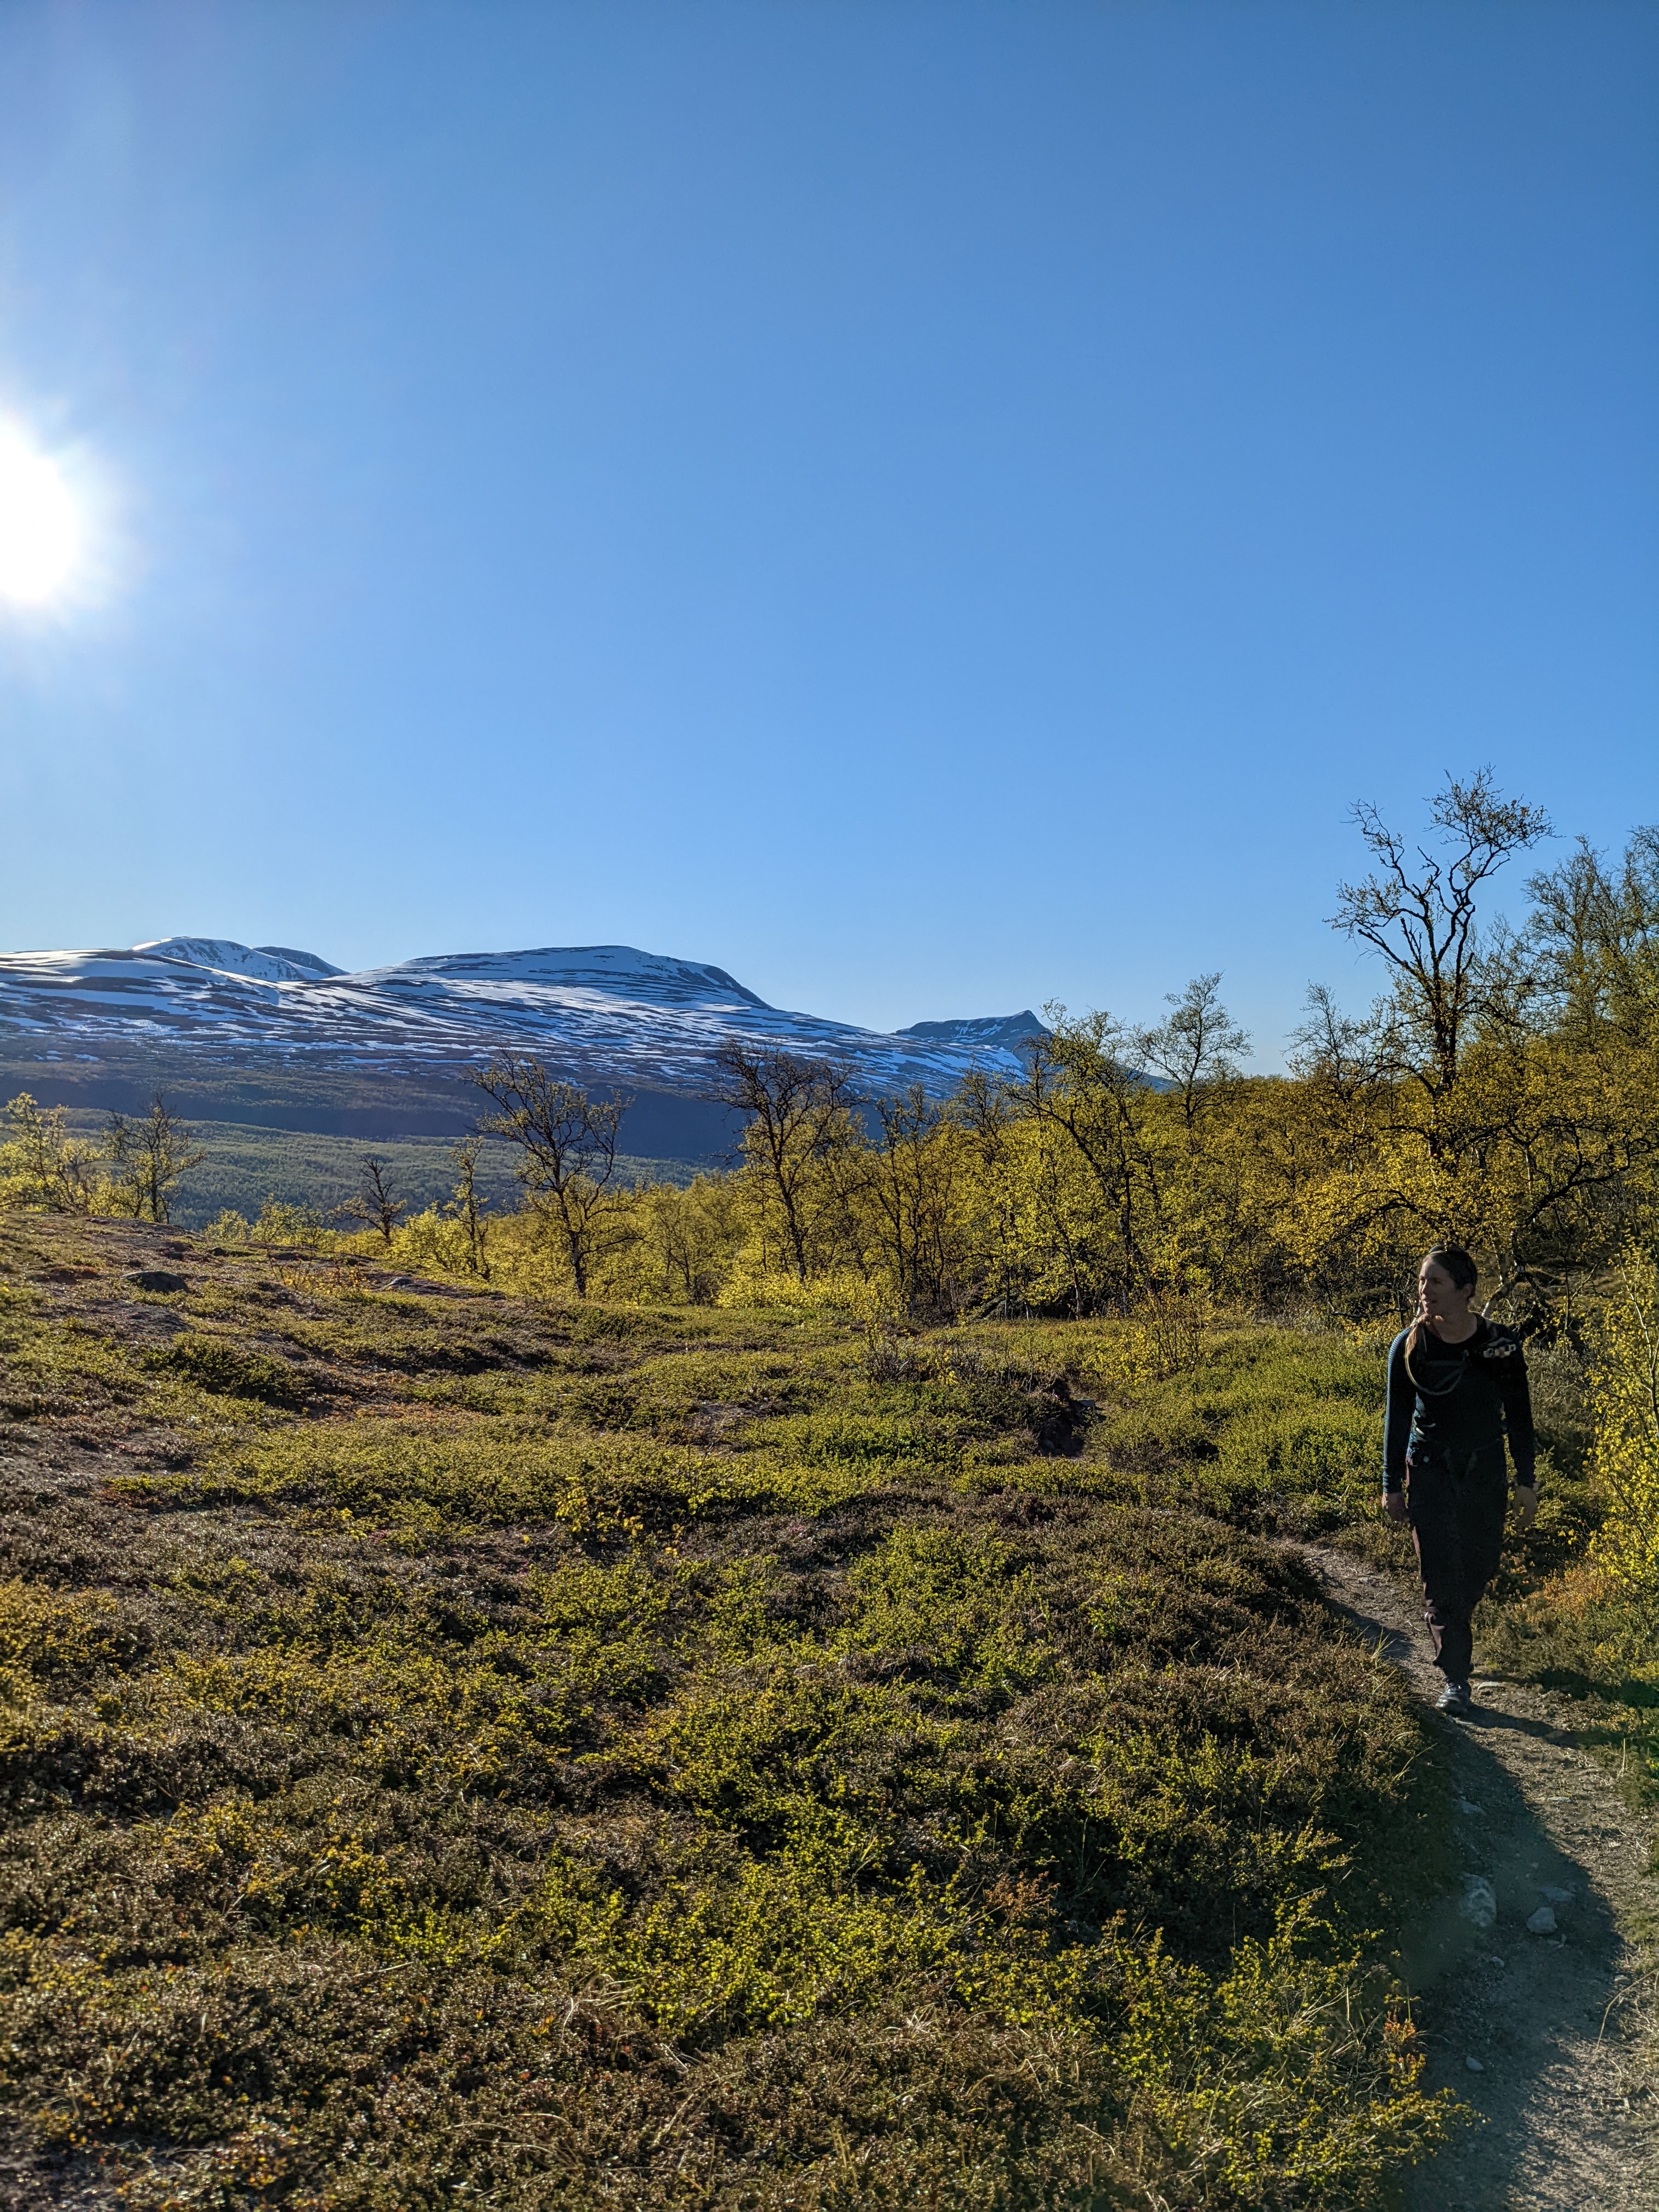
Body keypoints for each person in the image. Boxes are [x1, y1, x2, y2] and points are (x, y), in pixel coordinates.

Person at [1383, 1246, 1538, 1714]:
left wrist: (1526, 1481)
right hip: (1429, 1470)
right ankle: (1455, 1678)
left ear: (1465, 1291)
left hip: (1485, 1472)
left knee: (1479, 1565)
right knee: (1441, 1576)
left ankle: (1455, 1634)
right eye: (1422, 1282)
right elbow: (1397, 1420)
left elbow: (1521, 1417)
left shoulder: (1501, 1346)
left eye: (1436, 1283)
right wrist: (1391, 1484)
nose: (1424, 1291)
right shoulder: (1410, 1345)